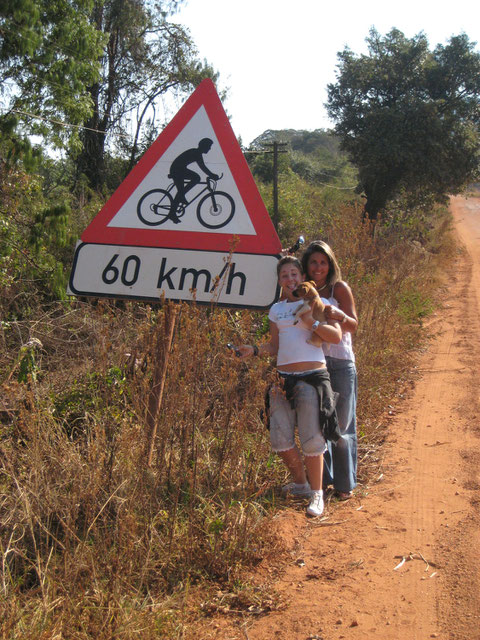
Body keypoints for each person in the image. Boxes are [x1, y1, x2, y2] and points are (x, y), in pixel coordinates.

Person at [235, 256, 342, 517]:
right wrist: (255, 349)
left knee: (312, 438)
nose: (290, 279)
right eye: (285, 275)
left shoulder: (318, 302)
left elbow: (336, 336)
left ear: (301, 276)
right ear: (280, 280)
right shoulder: (276, 310)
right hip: (283, 379)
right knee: (280, 438)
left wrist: (312, 323)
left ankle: (317, 495)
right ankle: (302, 484)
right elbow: (276, 346)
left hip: (312, 377)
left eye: (294, 274)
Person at [301, 241, 358, 500]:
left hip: (341, 362)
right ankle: (321, 485)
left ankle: (345, 485)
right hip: (313, 362)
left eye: (323, 262)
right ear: (306, 265)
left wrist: (339, 316)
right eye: (313, 262)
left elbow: (353, 325)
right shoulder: (301, 291)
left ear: (330, 264)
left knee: (342, 425)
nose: (318, 267)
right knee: (318, 424)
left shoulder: (339, 288)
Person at [168, 137, 219, 223]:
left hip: (179, 169)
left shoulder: (197, 152)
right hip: (177, 170)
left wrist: (211, 175)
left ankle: (180, 199)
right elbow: (203, 167)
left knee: (182, 191)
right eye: (209, 146)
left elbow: (203, 167)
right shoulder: (196, 153)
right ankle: (172, 213)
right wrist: (212, 175)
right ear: (204, 146)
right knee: (195, 179)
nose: (210, 149)